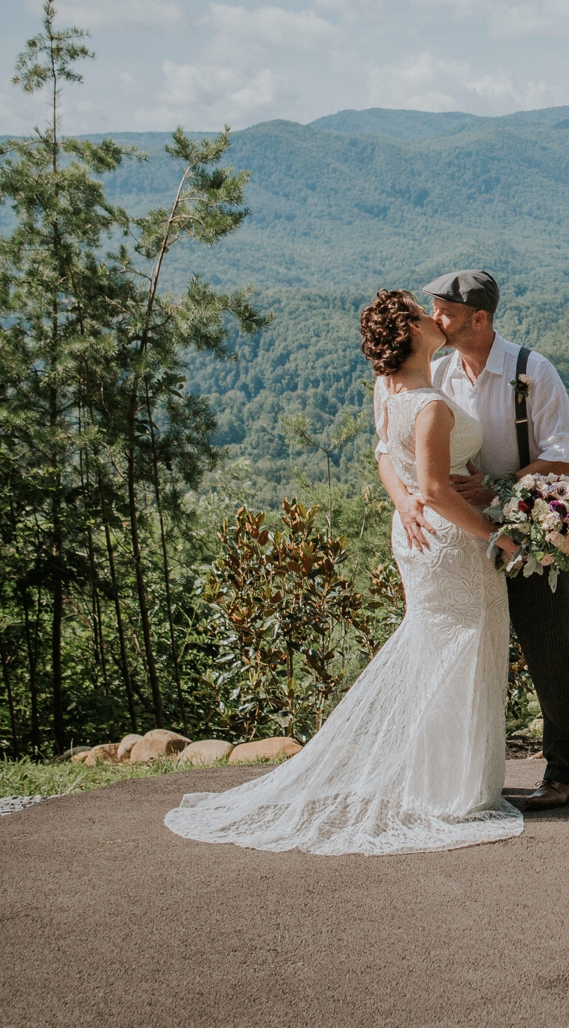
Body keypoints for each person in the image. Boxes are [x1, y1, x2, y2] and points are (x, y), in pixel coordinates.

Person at [164, 290, 524, 855]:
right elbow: (434, 489)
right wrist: (495, 534)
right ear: (409, 331)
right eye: (420, 311)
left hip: (416, 536)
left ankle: (440, 782)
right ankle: (455, 790)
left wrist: (401, 500)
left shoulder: (389, 388)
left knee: (438, 651)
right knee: (464, 650)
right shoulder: (429, 403)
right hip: (451, 541)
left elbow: (388, 454)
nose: (435, 316)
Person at [377, 269, 569, 812]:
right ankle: (455, 773)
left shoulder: (531, 372)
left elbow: (563, 455)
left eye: (442, 311)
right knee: (465, 655)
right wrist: (405, 501)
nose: (433, 320)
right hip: (462, 544)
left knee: (551, 651)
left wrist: (498, 486)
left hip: (527, 533)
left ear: (480, 318)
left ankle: (562, 774)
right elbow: (391, 445)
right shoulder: (437, 373)